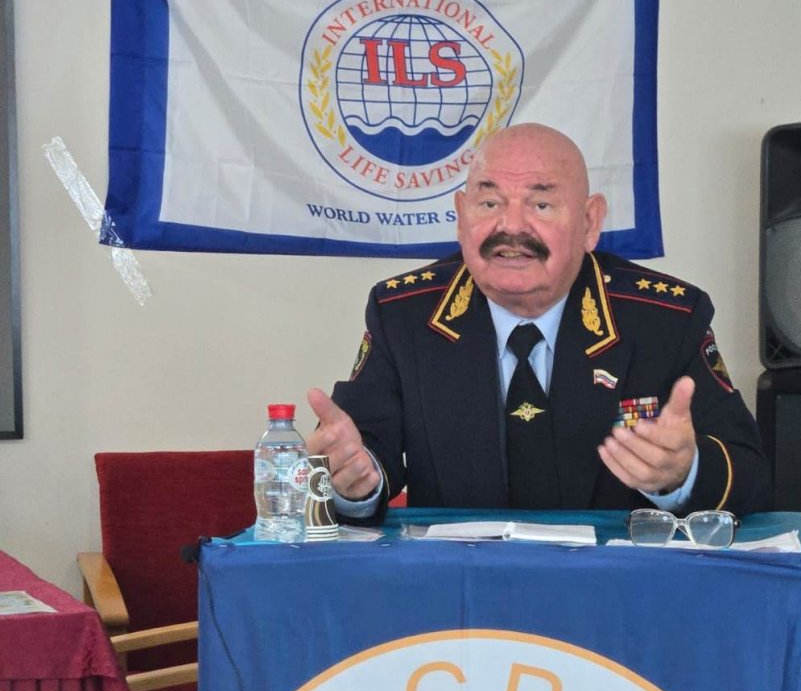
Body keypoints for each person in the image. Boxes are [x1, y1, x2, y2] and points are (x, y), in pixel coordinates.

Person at [306, 123, 771, 520]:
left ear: (590, 222)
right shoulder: (403, 314)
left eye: (541, 205)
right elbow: (364, 453)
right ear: (461, 218)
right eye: (489, 204)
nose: (511, 227)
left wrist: (682, 475)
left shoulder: (665, 320)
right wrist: (352, 483)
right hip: (459, 587)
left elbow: (752, 477)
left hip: (615, 586)